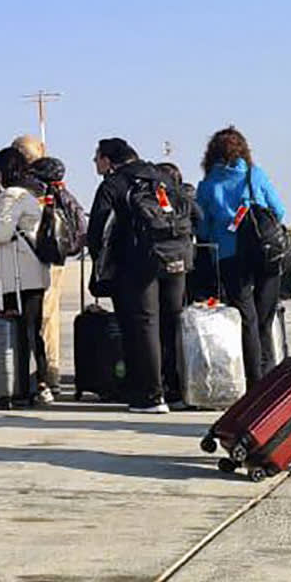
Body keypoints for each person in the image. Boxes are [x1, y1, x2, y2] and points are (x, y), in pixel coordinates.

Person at [88, 138, 191, 414]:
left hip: (137, 264)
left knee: (144, 326)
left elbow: (98, 230)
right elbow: (195, 213)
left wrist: (103, 261)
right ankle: (176, 391)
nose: (95, 163)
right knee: (171, 322)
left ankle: (150, 395)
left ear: (109, 160)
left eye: (97, 158)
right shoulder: (162, 178)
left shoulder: (113, 184)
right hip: (176, 258)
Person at [194, 127, 288, 385]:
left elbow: (202, 228)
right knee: (265, 317)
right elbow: (279, 211)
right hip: (264, 252)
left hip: (230, 255)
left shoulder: (208, 185)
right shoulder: (255, 175)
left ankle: (254, 379)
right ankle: (270, 374)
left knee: (246, 318)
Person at [11, 135, 85, 386]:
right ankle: (51, 369)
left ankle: (42, 373)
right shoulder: (56, 184)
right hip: (59, 256)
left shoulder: (27, 187)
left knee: (40, 316)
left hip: (38, 257)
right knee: (50, 315)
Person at [0, 148, 56, 403]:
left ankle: (22, 382)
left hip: (17, 275)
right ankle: (42, 382)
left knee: (19, 330)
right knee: (34, 330)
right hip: (34, 272)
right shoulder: (29, 195)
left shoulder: (10, 197)